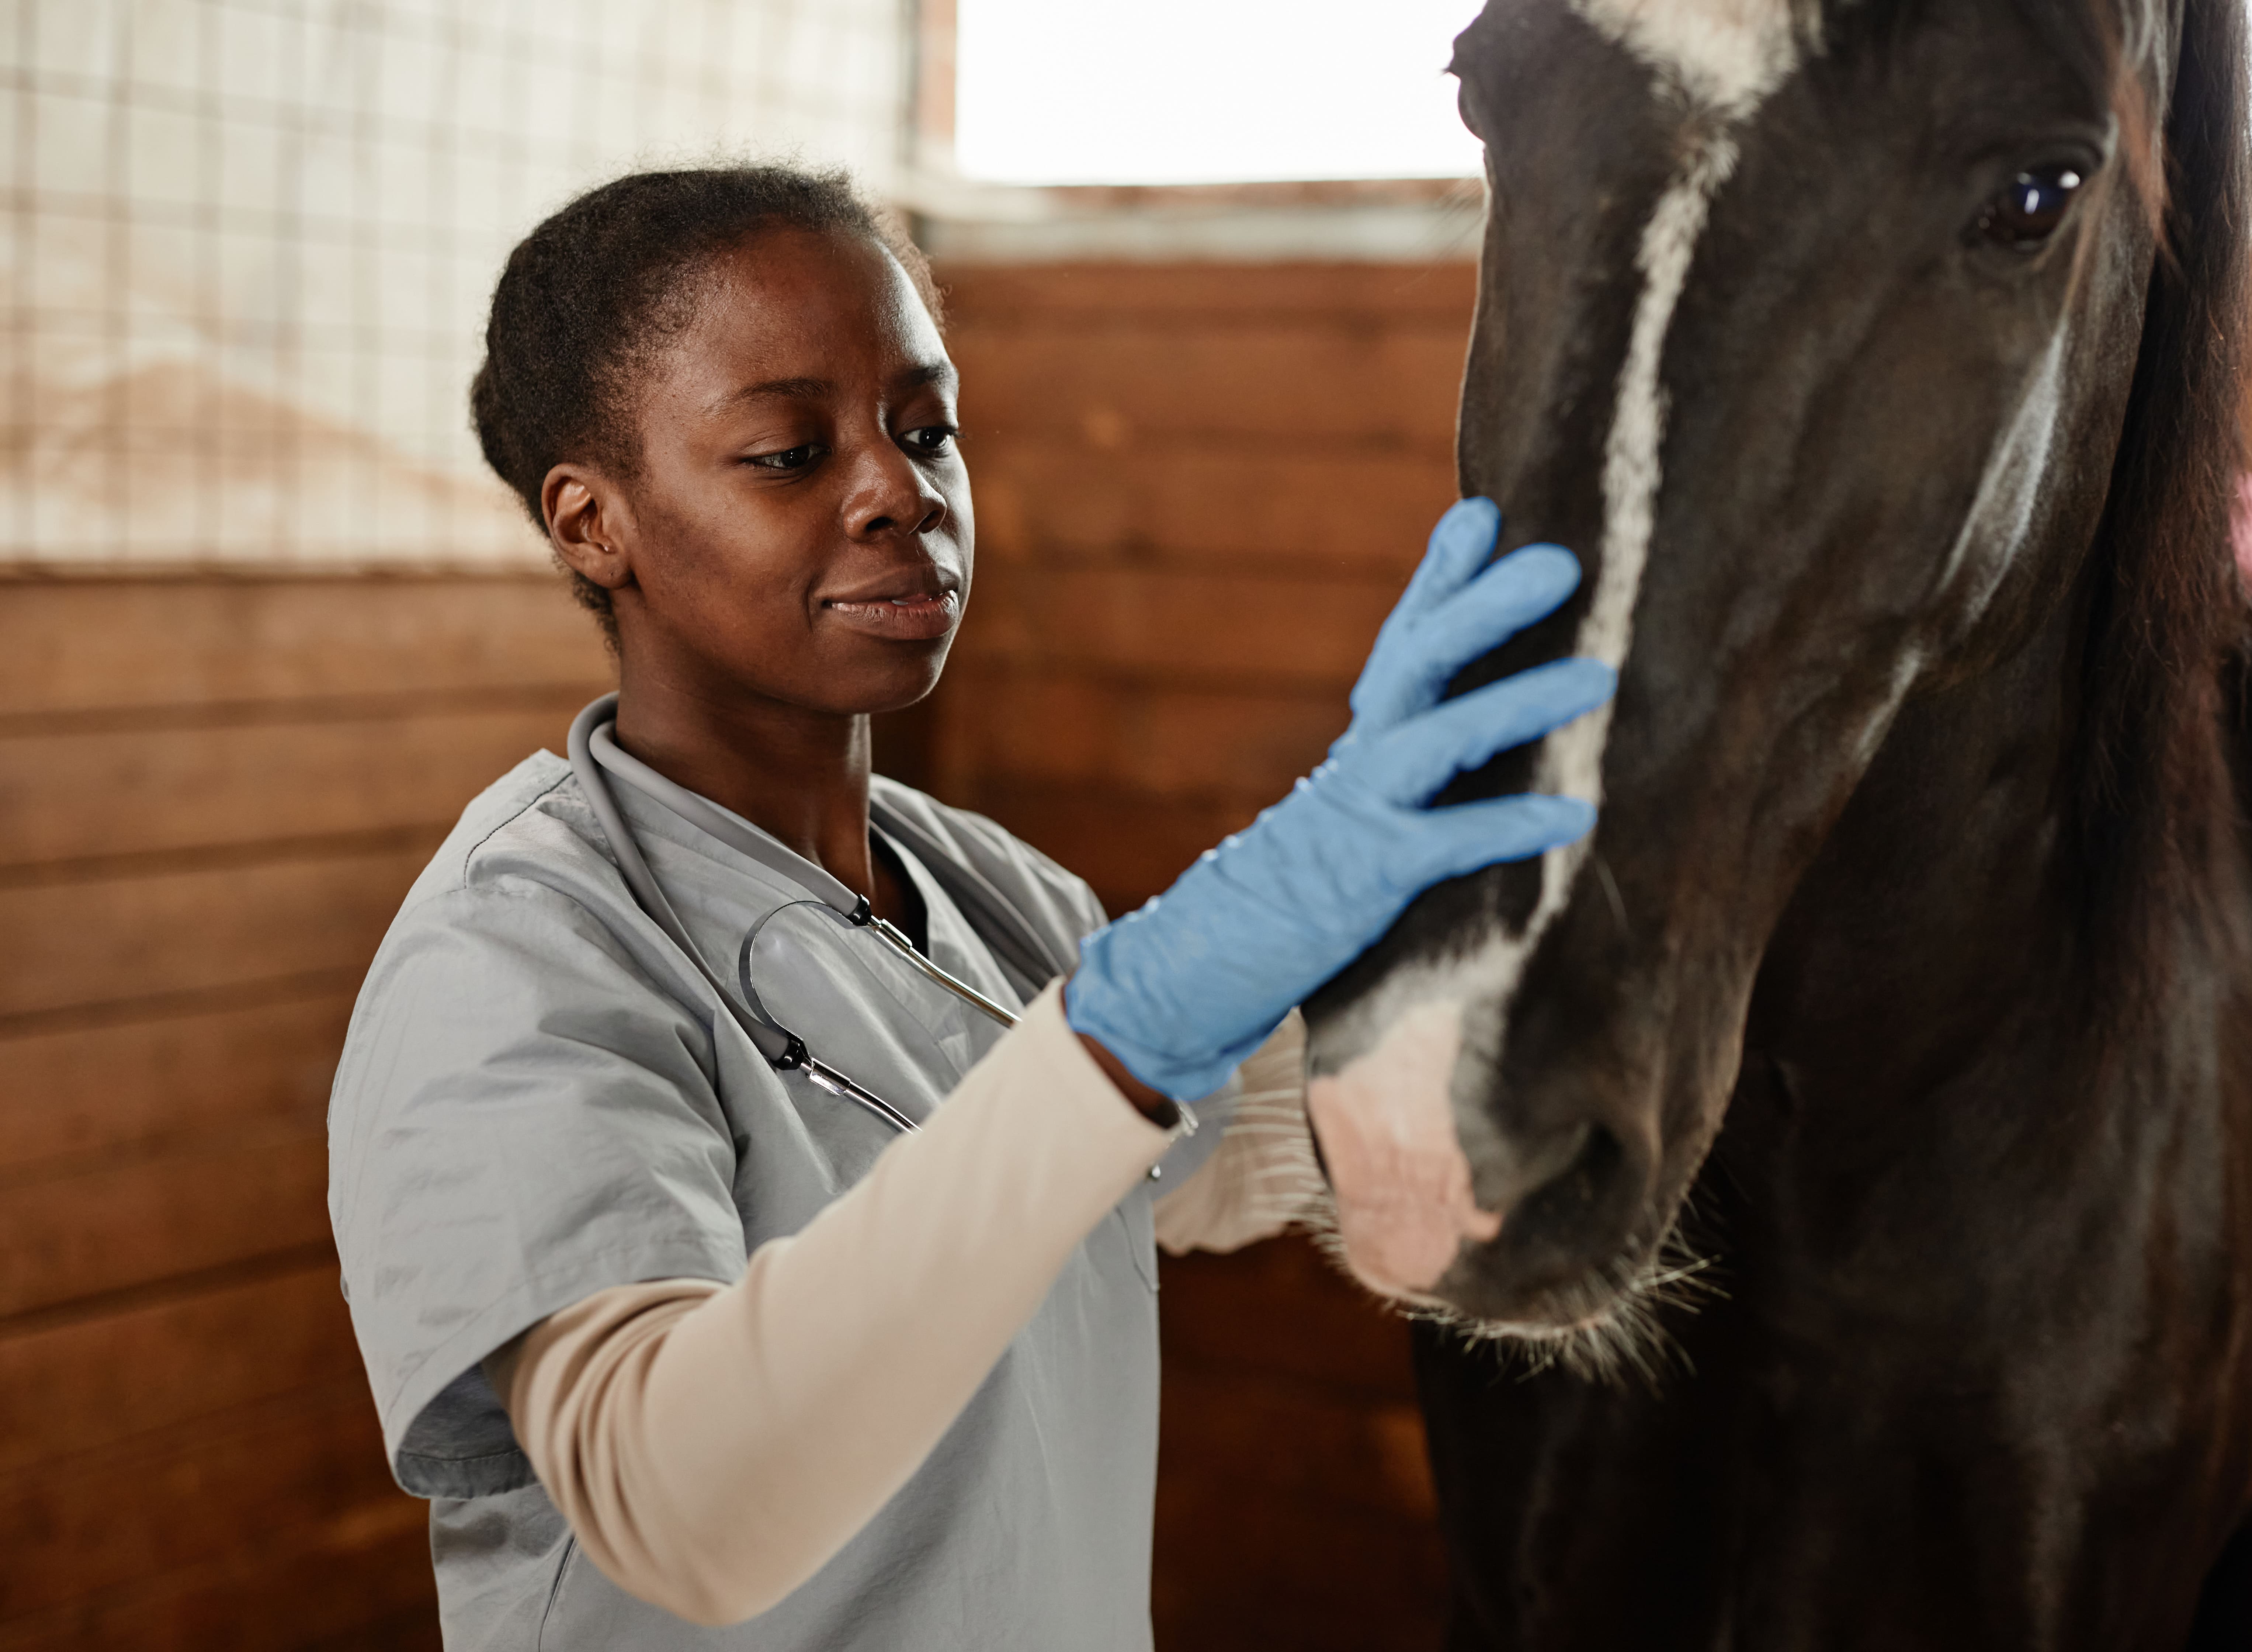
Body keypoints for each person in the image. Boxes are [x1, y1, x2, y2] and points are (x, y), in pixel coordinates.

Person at [326, 165, 1613, 1651]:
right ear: (592, 522)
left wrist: (1490, 920)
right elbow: (680, 1506)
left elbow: (1195, 1170)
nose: (900, 490)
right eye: (792, 451)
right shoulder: (515, 956)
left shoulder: (987, 888)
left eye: (926, 427)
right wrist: (1121, 1039)